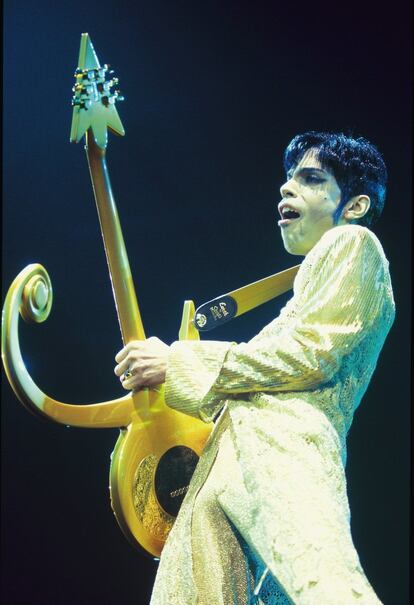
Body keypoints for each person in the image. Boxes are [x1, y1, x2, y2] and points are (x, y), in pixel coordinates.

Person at [114, 131, 395, 604]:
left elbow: (310, 355)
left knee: (324, 587)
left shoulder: (353, 243)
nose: (287, 188)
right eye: (288, 178)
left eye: (310, 179)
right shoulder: (300, 299)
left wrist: (176, 361)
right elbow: (258, 371)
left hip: (283, 455)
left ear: (356, 205)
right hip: (225, 475)